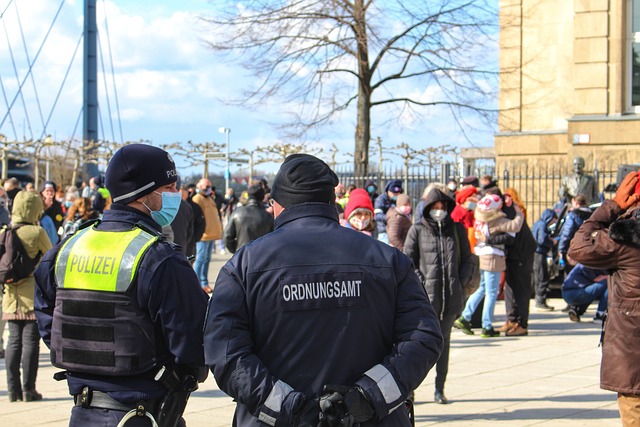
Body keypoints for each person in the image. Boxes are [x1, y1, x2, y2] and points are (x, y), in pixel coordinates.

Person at [204, 153, 443, 426]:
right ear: (331, 200)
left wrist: (289, 408)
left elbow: (226, 354)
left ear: (277, 204)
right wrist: (365, 398)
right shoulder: (388, 260)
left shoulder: (244, 265)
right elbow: (423, 337)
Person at [34, 143, 208, 426]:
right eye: (170, 187)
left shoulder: (67, 248)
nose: (176, 194)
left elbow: (46, 316)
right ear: (145, 194)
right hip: (142, 411)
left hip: (83, 410)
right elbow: (193, 342)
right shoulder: (160, 259)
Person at [568, 171, 640, 425]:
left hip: (633, 346)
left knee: (634, 407)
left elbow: (578, 247)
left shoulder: (626, 235)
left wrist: (611, 208)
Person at [404, 188, 474, 405]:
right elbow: (408, 261)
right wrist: (420, 284)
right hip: (425, 300)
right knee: (416, 346)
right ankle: (410, 389)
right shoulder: (417, 230)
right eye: (435, 207)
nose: (439, 211)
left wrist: (461, 283)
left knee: (443, 347)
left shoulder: (456, 229)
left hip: (450, 299)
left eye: (443, 208)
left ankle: (439, 389)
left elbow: (468, 259)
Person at [3, 190, 52, 402]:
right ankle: (29, 389)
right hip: (32, 294)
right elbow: (50, 256)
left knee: (13, 341)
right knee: (31, 342)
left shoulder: (5, 232)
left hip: (10, 295)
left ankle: (13, 390)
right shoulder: (37, 232)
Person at [454, 193, 524, 338]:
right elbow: (515, 226)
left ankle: (465, 317)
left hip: (482, 254)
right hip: (493, 256)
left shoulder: (480, 216)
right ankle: (487, 326)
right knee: (492, 292)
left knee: (482, 288)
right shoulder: (496, 220)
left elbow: (480, 206)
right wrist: (519, 212)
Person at [490, 188, 536, 336]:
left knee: (521, 289)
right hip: (511, 254)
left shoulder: (509, 212)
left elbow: (510, 236)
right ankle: (511, 319)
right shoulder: (501, 211)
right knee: (509, 288)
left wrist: (489, 239)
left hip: (522, 253)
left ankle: (522, 324)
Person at [223, 183, 273, 254]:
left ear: (248, 196)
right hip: (261, 255)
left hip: (242, 255)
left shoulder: (237, 213)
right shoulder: (268, 216)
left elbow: (227, 237)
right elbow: (272, 240)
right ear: (262, 197)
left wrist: (237, 251)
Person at [192, 178, 223, 293]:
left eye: (209, 185)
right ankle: (195, 284)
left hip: (212, 234)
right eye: (206, 185)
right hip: (203, 235)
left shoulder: (209, 198)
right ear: (199, 186)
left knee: (207, 259)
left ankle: (204, 283)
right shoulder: (197, 199)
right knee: (200, 259)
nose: (208, 188)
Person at [557, 194, 592, 276]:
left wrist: (561, 250)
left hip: (574, 251)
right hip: (589, 251)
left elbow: (566, 234)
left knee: (572, 277)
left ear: (575, 202)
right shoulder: (592, 214)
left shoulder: (573, 215)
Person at [532, 208, 558, 311]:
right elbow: (542, 239)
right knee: (542, 277)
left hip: (536, 253)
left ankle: (539, 300)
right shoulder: (542, 225)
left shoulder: (538, 223)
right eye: (552, 221)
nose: (552, 223)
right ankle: (540, 302)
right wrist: (551, 242)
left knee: (539, 277)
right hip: (540, 253)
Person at [170, 177, 194, 256]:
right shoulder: (187, 206)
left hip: (163, 250)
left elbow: (190, 229)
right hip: (180, 248)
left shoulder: (156, 204)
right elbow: (190, 231)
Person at [374, 179, 403, 244]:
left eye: (397, 193)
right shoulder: (381, 199)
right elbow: (377, 216)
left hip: (397, 231)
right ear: (388, 191)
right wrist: (392, 218)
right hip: (384, 232)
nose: (395, 195)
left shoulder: (399, 199)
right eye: (393, 193)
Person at [183, 183, 205, 263]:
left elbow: (201, 223)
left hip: (190, 243)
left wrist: (195, 238)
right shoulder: (172, 206)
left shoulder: (193, 206)